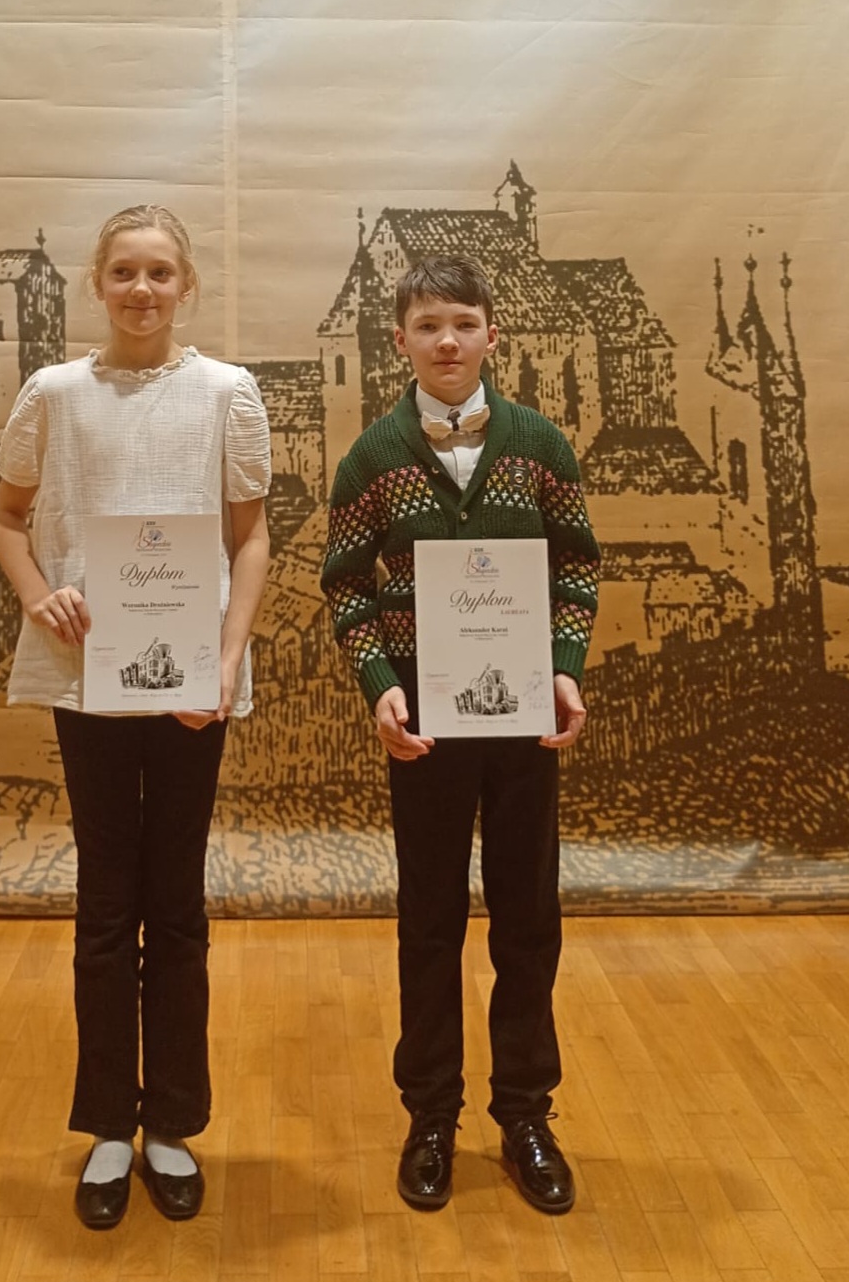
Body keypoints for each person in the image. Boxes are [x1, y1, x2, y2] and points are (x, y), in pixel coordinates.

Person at [0, 205, 271, 1231]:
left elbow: (251, 538)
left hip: (194, 684)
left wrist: (226, 661)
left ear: (185, 285)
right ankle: (110, 1122)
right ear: (97, 284)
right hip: (88, 676)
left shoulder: (228, 392)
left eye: (159, 272)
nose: (141, 289)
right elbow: (6, 517)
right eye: (123, 272)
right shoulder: (54, 393)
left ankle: (172, 1124)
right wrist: (38, 594)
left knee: (178, 901)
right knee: (107, 900)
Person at [321, 254, 599, 1215]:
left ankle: (525, 1112)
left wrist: (564, 665)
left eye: (464, 323)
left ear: (491, 335)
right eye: (429, 324)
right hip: (427, 733)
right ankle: (431, 1114)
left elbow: (577, 568)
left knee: (529, 921)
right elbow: (345, 586)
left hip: (524, 727)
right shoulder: (371, 458)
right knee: (429, 922)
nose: (448, 340)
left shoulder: (541, 445)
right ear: (400, 338)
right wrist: (380, 688)